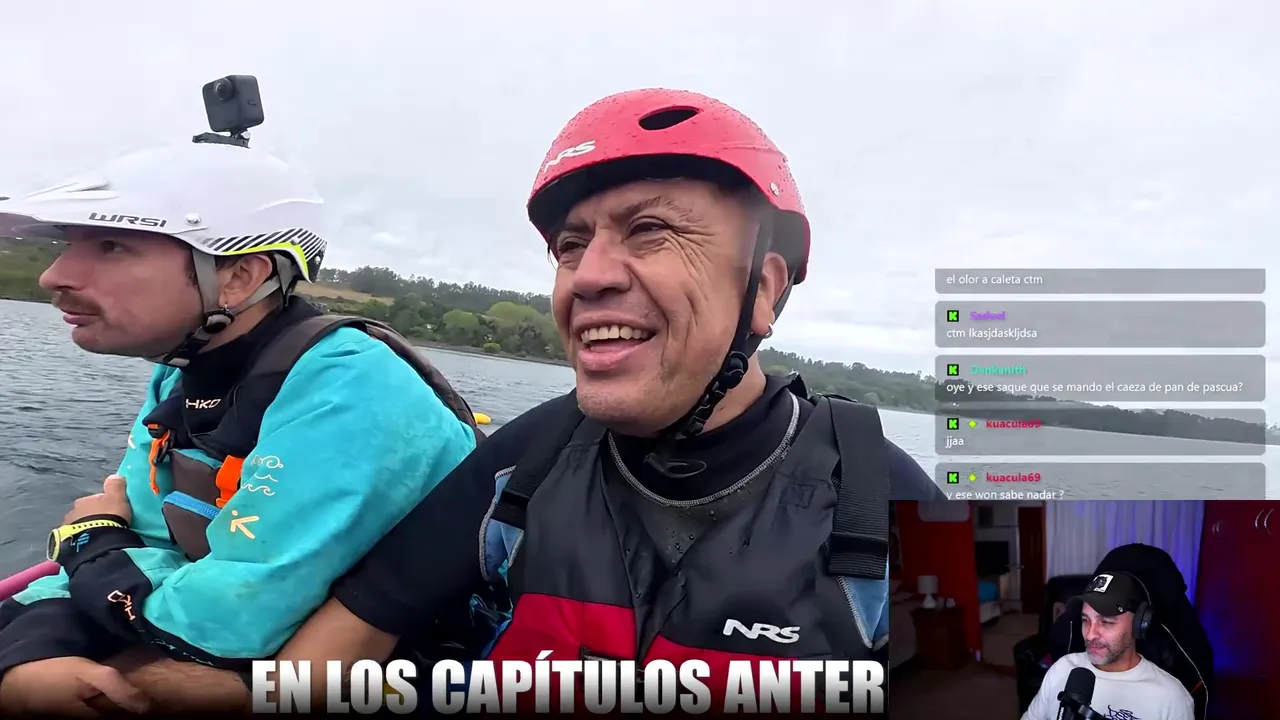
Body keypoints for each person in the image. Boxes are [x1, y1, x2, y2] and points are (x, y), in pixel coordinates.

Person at [272, 87, 945, 708]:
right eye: (570, 246)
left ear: (763, 290)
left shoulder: (878, 499)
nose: (586, 277)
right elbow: (345, 639)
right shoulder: (529, 460)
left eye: (650, 230)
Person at [0, 138, 482, 715]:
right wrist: (30, 651)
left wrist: (92, 539)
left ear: (237, 278)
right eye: (68, 244)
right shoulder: (181, 376)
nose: (54, 275)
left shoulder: (351, 388)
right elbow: (146, 540)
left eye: (110, 246)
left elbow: (222, 623)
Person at [1023, 572, 1195, 720]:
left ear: (1139, 625)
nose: (1090, 635)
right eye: (1085, 620)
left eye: (1106, 622)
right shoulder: (1062, 669)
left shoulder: (1171, 698)